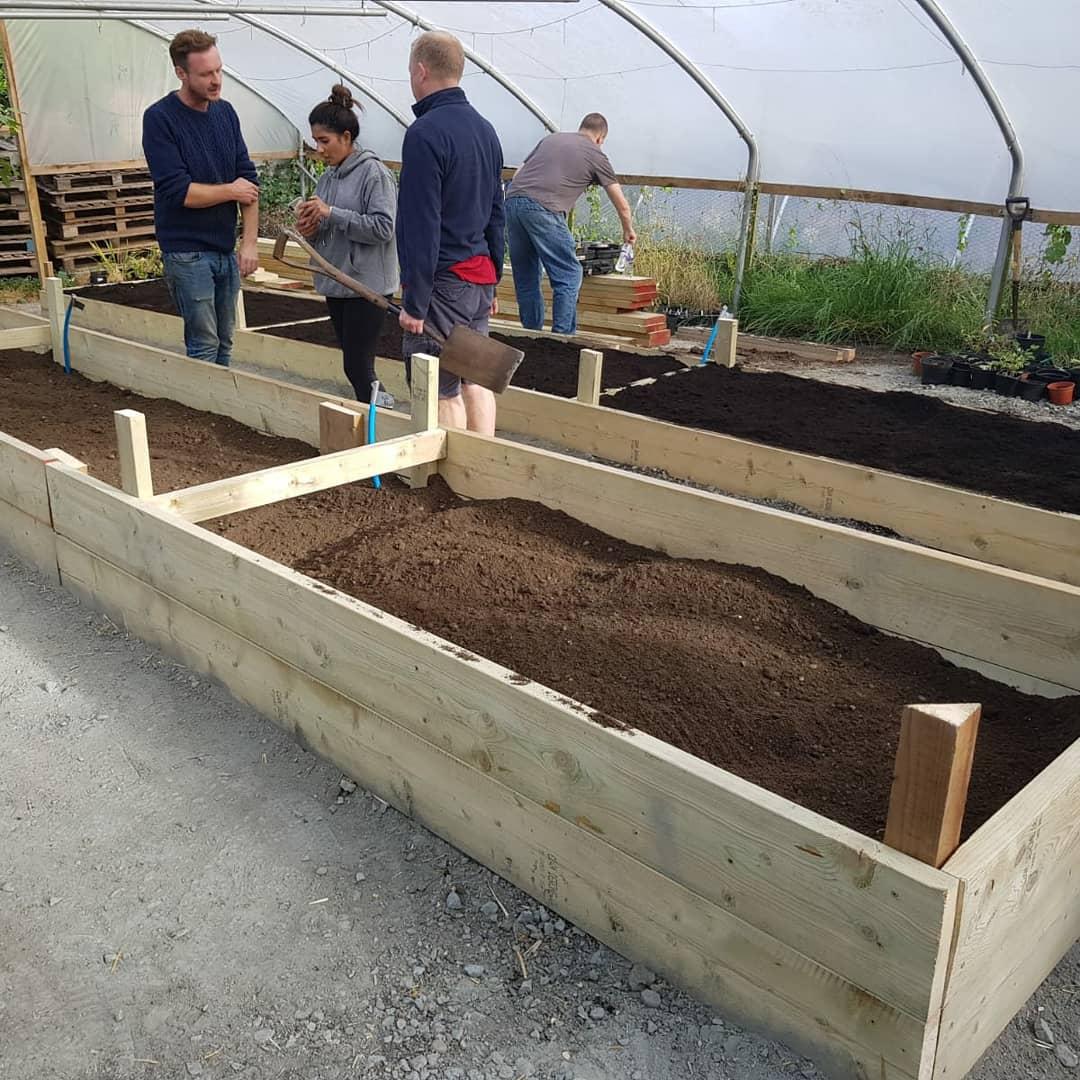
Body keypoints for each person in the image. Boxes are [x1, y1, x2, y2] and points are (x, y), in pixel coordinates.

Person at [396, 31, 504, 436]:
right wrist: (493, 282)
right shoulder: (486, 130)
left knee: (441, 388)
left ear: (421, 71)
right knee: (474, 378)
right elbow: (496, 213)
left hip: (444, 284)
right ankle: (482, 464)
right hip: (478, 280)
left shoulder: (425, 133)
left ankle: (451, 468)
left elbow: (422, 224)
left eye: (410, 71)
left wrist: (415, 302)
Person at [142, 29, 259, 367]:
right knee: (204, 343)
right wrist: (231, 190)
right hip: (186, 252)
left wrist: (249, 243)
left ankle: (216, 398)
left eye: (219, 70)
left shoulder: (226, 114)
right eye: (206, 74)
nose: (216, 80)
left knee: (225, 340)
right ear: (181, 73)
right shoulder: (160, 118)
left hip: (223, 249)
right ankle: (201, 400)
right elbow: (180, 192)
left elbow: (249, 182)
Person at [296, 85, 398, 407]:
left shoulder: (374, 174)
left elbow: (383, 228)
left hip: (367, 286)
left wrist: (331, 213)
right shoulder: (328, 178)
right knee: (354, 365)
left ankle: (381, 418)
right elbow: (328, 232)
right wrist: (312, 230)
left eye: (324, 141)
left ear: (346, 137)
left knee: (357, 365)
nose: (319, 149)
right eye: (315, 141)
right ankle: (379, 414)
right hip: (337, 281)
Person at [505, 114, 636, 336]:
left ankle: (530, 336)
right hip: (544, 209)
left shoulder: (551, 139)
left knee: (526, 275)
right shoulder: (596, 154)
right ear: (600, 138)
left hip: (513, 202)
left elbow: (518, 174)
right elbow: (621, 204)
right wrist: (628, 230)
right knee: (569, 273)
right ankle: (561, 339)